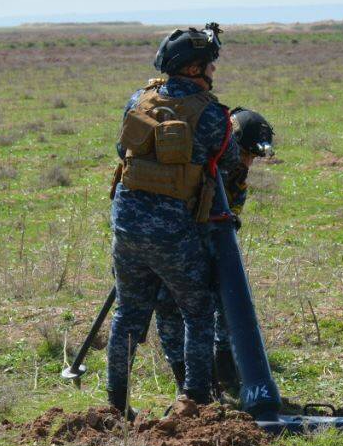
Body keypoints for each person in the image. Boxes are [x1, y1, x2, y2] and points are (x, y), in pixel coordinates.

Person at [106, 24, 241, 413]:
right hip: (175, 234)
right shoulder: (214, 115)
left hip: (126, 227)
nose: (214, 72)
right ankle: (194, 401)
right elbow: (228, 161)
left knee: (128, 316)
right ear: (196, 69)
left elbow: (121, 148)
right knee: (198, 311)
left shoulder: (138, 100)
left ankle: (116, 405)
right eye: (210, 65)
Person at [152, 108, 275, 398]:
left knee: (223, 299)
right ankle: (186, 380)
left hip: (208, 245)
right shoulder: (195, 167)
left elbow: (230, 216)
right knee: (168, 305)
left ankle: (224, 369)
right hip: (171, 245)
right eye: (245, 154)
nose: (247, 163)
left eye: (252, 158)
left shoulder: (235, 177)